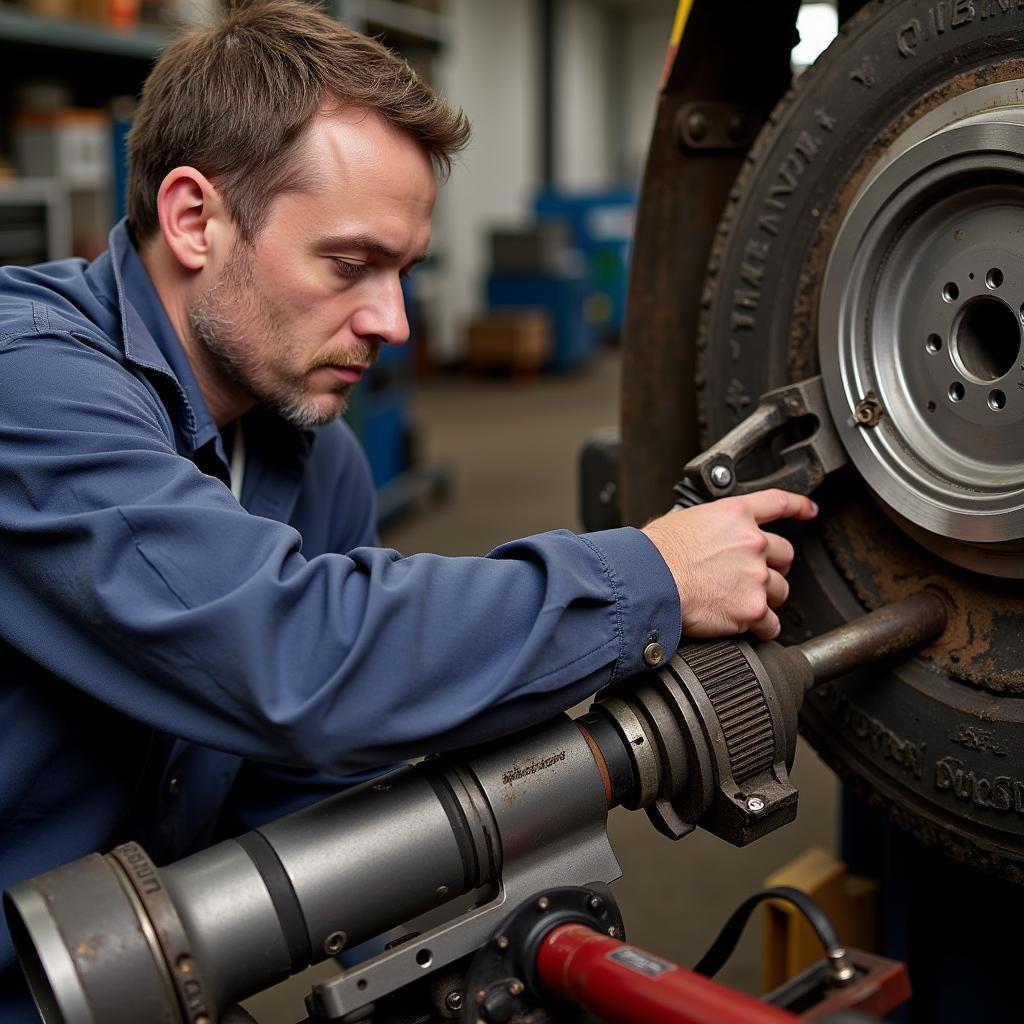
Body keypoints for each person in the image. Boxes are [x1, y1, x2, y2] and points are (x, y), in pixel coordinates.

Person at [0, 2, 816, 1017]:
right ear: (194, 219)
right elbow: (290, 658)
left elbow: (310, 775)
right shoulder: (27, 380)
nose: (391, 322)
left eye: (403, 271)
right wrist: (646, 578)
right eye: (348, 265)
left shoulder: (316, 460)